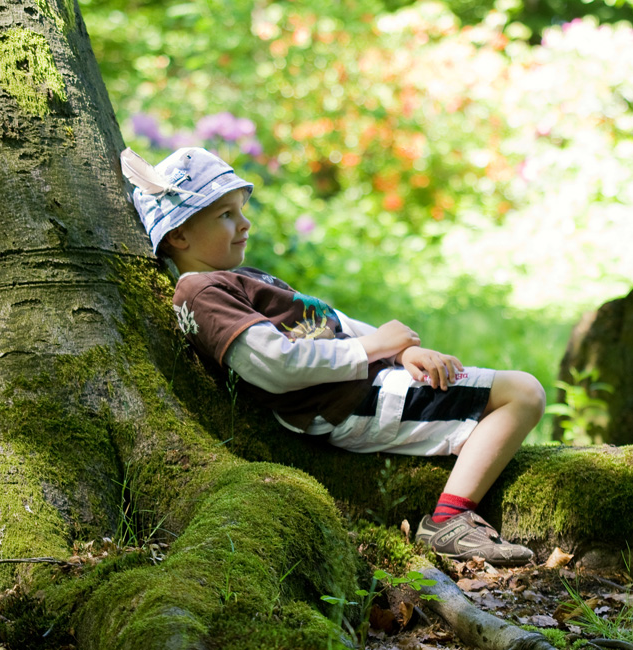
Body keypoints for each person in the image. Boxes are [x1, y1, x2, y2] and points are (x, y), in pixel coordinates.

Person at [123, 146, 546, 566]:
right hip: (349, 400)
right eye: (225, 215)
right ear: (178, 235)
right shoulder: (200, 292)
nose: (245, 223)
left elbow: (331, 321)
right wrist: (376, 347)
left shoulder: (237, 279)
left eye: (240, 210)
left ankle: (457, 492)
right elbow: (274, 364)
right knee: (522, 393)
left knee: (505, 396)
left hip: (367, 383)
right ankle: (448, 520)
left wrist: (403, 352)